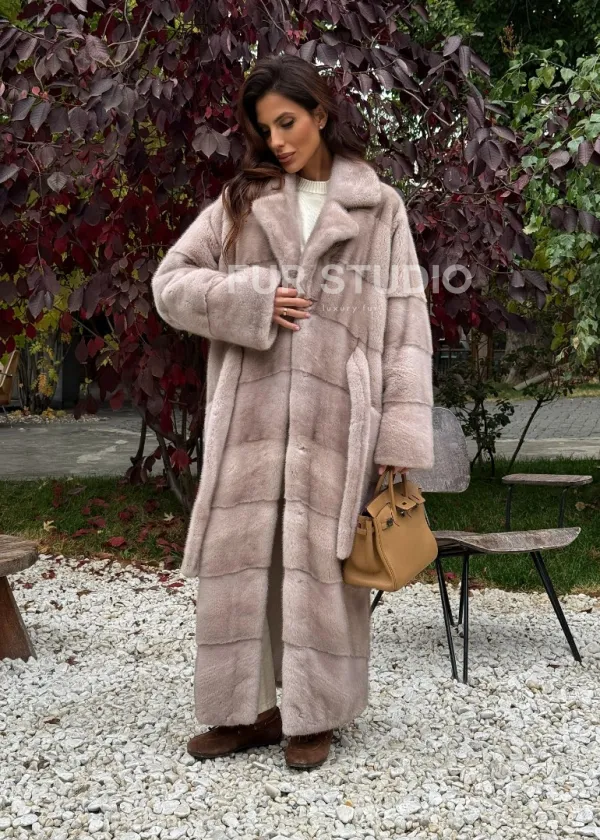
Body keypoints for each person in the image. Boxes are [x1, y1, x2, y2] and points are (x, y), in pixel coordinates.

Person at [151, 53, 434, 770]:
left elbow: (407, 325)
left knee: (319, 561)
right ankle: (241, 711)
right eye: (264, 128)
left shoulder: (379, 207)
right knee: (244, 558)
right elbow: (171, 284)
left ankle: (314, 713)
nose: (277, 141)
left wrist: (399, 436)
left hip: (338, 420)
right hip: (249, 418)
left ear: (320, 113)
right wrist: (250, 299)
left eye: (287, 122)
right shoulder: (242, 201)